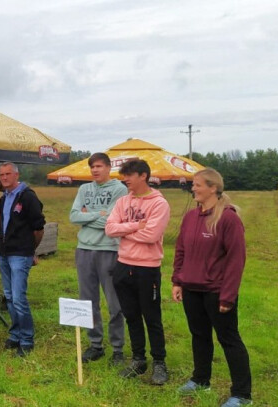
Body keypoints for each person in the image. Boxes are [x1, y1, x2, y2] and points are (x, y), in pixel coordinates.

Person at [172, 168, 252, 407]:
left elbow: (236, 261)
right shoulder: (190, 217)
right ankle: (200, 380)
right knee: (199, 336)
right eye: (193, 184)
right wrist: (178, 280)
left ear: (213, 188)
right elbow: (181, 250)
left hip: (217, 292)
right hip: (191, 289)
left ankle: (241, 394)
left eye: (197, 185)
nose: (193, 188)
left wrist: (228, 296)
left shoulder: (228, 218)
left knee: (229, 340)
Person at [106, 158, 171, 385]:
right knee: (131, 315)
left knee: (152, 317)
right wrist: (134, 226)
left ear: (143, 176)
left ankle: (160, 363)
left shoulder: (159, 204)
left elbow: (152, 236)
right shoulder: (123, 201)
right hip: (123, 265)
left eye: (129, 176)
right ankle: (138, 360)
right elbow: (110, 228)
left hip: (147, 268)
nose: (125, 180)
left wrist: (123, 232)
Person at [70, 153, 129, 365]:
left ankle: (117, 349)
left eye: (99, 166)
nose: (95, 170)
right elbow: (74, 216)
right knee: (87, 301)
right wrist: (98, 214)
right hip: (84, 249)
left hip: (109, 249)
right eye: (92, 167)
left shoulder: (120, 189)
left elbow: (112, 222)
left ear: (108, 167)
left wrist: (89, 216)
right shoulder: (84, 189)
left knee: (114, 303)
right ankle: (95, 344)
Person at [0, 162, 45, 356]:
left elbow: (39, 227)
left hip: (20, 254)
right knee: (8, 297)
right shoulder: (3, 198)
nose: (5, 177)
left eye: (8, 174)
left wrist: (31, 250)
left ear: (17, 175)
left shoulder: (28, 197)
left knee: (18, 298)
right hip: (4, 253)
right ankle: (15, 334)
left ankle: (26, 339)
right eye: (1, 175)